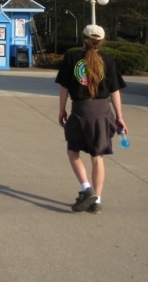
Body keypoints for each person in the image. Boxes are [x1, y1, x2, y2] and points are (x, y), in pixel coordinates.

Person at [56, 24, 128, 214]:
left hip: (80, 111)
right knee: (97, 156)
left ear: (83, 38)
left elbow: (64, 87)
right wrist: (119, 117)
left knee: (73, 151)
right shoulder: (108, 60)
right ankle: (97, 201)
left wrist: (62, 110)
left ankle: (86, 188)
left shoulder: (72, 57)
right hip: (102, 111)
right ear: (102, 41)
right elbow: (114, 91)